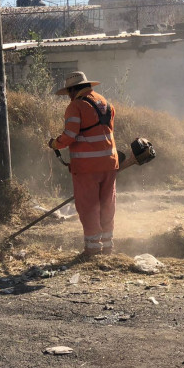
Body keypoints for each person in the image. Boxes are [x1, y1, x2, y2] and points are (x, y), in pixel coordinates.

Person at [48, 71, 119, 257]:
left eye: (69, 93)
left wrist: (55, 144)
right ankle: (108, 247)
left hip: (88, 167)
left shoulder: (76, 106)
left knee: (88, 207)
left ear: (72, 90)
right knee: (106, 205)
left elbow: (69, 136)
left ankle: (93, 250)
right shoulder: (105, 102)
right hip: (110, 164)